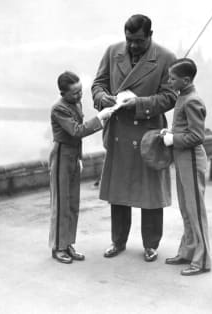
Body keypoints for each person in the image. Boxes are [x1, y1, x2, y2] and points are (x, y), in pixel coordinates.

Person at [91, 14, 177, 262]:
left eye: (138, 41)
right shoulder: (112, 52)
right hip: (119, 132)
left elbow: (170, 97)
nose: (132, 46)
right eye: (129, 40)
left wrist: (139, 103)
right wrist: (102, 99)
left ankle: (151, 244)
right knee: (119, 192)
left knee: (150, 195)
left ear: (150, 35)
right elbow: (98, 85)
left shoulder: (165, 58)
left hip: (148, 136)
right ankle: (118, 241)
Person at [49, 71, 114, 264]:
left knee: (72, 203)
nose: (79, 96)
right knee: (61, 204)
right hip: (61, 155)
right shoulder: (58, 109)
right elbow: (76, 131)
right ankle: (58, 247)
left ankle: (68, 244)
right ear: (63, 93)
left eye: (80, 91)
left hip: (72, 156)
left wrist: (78, 157)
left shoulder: (75, 103)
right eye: (74, 93)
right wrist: (100, 118)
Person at [162, 58, 211, 276]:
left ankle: (202, 261)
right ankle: (189, 251)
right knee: (185, 209)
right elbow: (184, 130)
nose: (169, 80)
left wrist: (174, 139)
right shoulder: (183, 96)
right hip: (183, 160)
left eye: (172, 78)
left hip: (191, 160)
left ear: (186, 79)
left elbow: (197, 136)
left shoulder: (192, 100)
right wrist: (170, 134)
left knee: (196, 211)